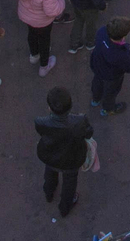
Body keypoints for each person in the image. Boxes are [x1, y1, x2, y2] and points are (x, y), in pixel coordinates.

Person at [34, 86, 95, 218]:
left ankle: (49, 192)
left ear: (50, 108)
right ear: (70, 105)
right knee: (70, 182)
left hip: (50, 155)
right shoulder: (80, 121)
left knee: (50, 172)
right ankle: (65, 207)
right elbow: (89, 133)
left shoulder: (41, 122)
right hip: (71, 159)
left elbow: (41, 133)